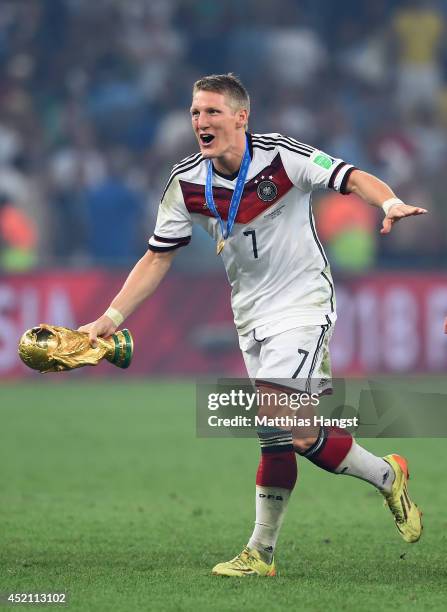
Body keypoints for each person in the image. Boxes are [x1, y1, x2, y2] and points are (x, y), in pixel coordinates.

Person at [79, 74, 426, 577]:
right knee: (280, 435)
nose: (202, 121)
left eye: (213, 112)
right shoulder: (187, 182)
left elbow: (351, 177)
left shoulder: (282, 157)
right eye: (196, 112)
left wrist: (389, 201)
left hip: (303, 302)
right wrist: (109, 318)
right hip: (250, 314)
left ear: (241, 116)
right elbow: (157, 257)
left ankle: (262, 551)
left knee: (284, 421)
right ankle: (380, 478)